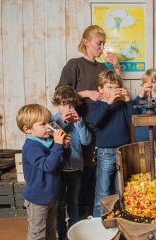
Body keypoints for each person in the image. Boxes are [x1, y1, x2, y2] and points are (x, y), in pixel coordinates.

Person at [56, 24, 121, 217]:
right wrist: (86, 93)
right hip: (78, 127)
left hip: (101, 125)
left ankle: (94, 212)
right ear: (86, 42)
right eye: (98, 43)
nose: (101, 47)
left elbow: (114, 87)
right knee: (80, 169)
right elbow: (60, 92)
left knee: (96, 171)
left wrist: (116, 67)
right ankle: (79, 213)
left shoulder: (102, 67)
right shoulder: (74, 64)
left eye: (103, 44)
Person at [82, 70, 133, 217]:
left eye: (115, 87)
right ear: (100, 89)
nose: (112, 90)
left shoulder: (123, 104)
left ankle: (119, 219)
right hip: (105, 153)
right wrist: (109, 103)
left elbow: (132, 120)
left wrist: (128, 100)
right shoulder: (97, 105)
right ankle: (98, 221)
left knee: (121, 189)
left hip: (123, 151)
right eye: (109, 87)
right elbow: (95, 121)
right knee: (103, 190)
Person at [16, 104, 71, 240]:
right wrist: (58, 145)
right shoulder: (31, 147)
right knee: (38, 234)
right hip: (38, 199)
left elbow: (60, 164)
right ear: (27, 129)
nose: (49, 127)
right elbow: (49, 166)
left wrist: (65, 147)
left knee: (51, 230)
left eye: (49, 122)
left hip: (51, 196)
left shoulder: (49, 142)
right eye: (42, 124)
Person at [51, 86, 92, 240]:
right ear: (57, 104)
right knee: (60, 205)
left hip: (76, 169)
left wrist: (79, 122)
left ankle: (75, 234)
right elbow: (53, 142)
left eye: (71, 105)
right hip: (59, 170)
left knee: (74, 202)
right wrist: (64, 121)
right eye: (64, 104)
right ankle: (62, 235)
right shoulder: (53, 120)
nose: (68, 108)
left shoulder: (78, 121)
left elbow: (86, 141)